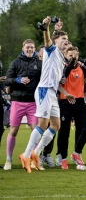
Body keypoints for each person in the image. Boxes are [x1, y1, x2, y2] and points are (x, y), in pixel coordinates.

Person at [19, 16, 76, 173]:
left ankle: (35, 155)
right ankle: (25, 155)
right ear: (56, 41)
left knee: (56, 126)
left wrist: (66, 93)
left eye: (67, 39)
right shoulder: (52, 50)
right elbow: (47, 40)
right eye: (63, 39)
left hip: (52, 93)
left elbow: (57, 82)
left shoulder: (62, 57)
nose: (66, 41)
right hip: (44, 90)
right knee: (43, 125)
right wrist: (47, 28)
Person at [56, 46, 86, 169]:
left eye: (75, 55)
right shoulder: (62, 66)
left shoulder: (81, 66)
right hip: (65, 102)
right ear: (65, 55)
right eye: (70, 55)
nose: (73, 58)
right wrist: (71, 62)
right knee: (64, 132)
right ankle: (63, 158)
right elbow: (63, 77)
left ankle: (77, 153)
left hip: (80, 101)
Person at [3, 39, 42, 170]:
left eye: (32, 47)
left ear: (34, 48)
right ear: (23, 48)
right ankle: (8, 159)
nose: (30, 49)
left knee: (36, 132)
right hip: (17, 101)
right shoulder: (16, 62)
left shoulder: (39, 63)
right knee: (13, 131)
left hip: (33, 102)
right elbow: (7, 80)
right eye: (27, 47)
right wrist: (18, 80)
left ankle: (33, 159)